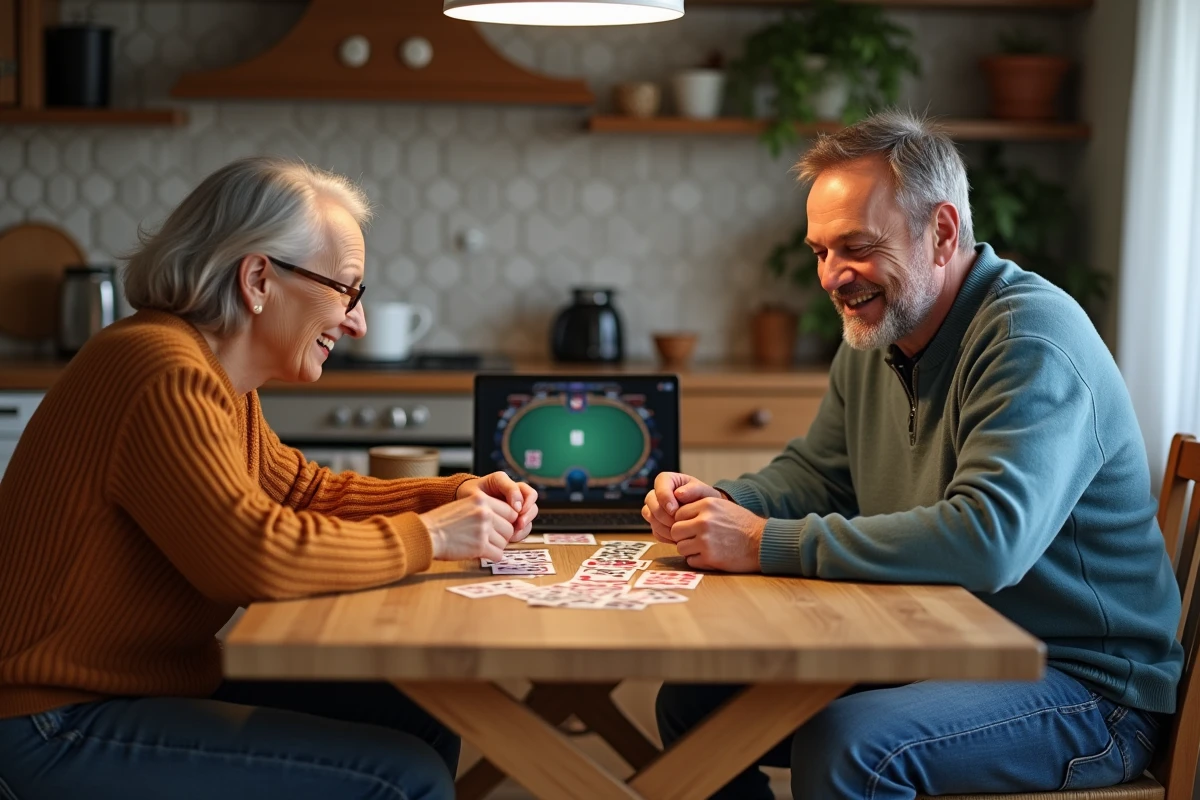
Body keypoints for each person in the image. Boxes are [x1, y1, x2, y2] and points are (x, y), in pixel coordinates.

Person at [644, 110, 1183, 799]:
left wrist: (765, 543)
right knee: (696, 704)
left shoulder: (1031, 339)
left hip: (1085, 686)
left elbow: (990, 540)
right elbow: (819, 475)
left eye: (857, 247)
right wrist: (719, 503)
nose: (833, 277)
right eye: (820, 252)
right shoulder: (879, 333)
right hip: (945, 647)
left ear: (943, 233)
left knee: (850, 746)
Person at [0, 157, 539, 799]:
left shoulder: (217, 380)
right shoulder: (160, 369)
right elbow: (255, 556)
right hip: (52, 720)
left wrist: (452, 493)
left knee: (416, 713)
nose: (356, 322)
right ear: (259, 278)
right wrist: (433, 534)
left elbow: (306, 493)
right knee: (403, 780)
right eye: (347, 290)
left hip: (142, 684)